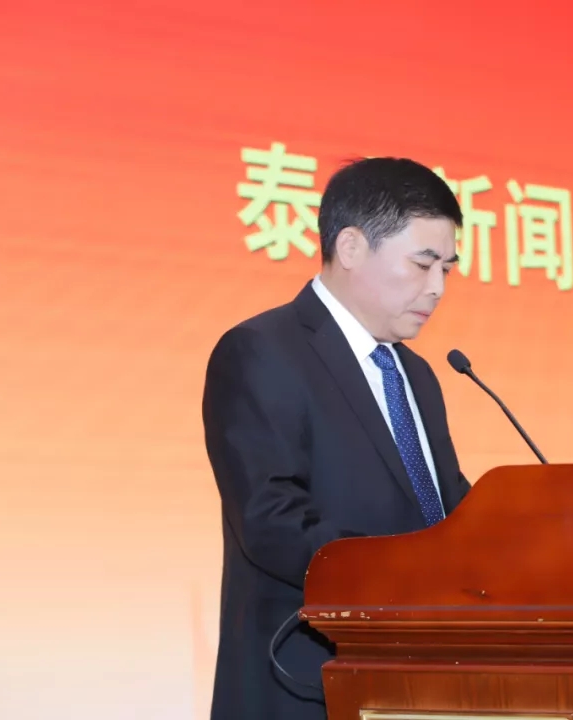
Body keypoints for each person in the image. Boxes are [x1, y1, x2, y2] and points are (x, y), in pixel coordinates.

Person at [201, 157, 473, 720]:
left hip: (417, 687)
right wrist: (409, 576)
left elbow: (449, 511)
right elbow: (272, 519)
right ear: (350, 247)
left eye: (447, 268)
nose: (438, 288)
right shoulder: (262, 351)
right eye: (423, 264)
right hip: (306, 686)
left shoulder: (417, 374)